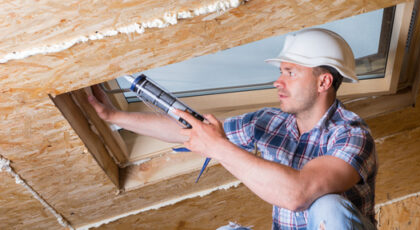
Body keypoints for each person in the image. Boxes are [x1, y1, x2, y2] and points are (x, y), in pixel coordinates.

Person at [88, 28, 377, 230]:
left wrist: (216, 147)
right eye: (280, 72)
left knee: (328, 207)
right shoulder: (270, 122)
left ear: (323, 82)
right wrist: (113, 115)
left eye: (290, 73)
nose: (278, 82)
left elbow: (298, 194)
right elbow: (190, 131)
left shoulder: (351, 134)